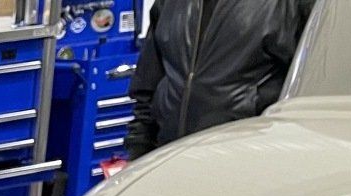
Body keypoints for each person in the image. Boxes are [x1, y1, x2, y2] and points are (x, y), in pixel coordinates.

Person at [124, 0, 316, 161]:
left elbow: (313, 100)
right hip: (169, 158)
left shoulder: (289, 4)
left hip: (244, 164)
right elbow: (148, 86)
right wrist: (137, 154)